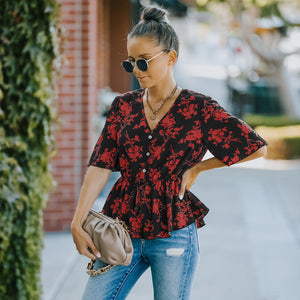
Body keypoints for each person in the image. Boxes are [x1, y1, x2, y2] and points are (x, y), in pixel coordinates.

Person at [71, 5, 268, 300]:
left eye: (143, 62)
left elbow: (256, 147)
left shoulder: (198, 108)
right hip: (121, 230)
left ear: (171, 57)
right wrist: (78, 220)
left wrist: (199, 168)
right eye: (130, 64)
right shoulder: (123, 107)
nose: (136, 70)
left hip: (174, 231)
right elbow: (100, 164)